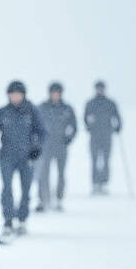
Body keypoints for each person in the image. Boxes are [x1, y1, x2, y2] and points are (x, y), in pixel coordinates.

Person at [0, 80, 46, 236]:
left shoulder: (31, 111)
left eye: (18, 94)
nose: (15, 97)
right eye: (12, 94)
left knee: (26, 189)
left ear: (23, 95)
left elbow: (42, 132)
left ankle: (22, 220)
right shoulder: (3, 112)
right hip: (7, 157)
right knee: (7, 188)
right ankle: (8, 220)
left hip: (27, 157)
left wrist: (37, 149)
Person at [35, 81, 79, 212]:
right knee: (43, 174)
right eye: (53, 92)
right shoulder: (42, 107)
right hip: (45, 147)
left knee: (61, 173)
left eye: (57, 93)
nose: (55, 95)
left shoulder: (67, 109)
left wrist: (68, 139)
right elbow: (35, 125)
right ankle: (43, 199)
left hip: (61, 146)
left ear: (60, 94)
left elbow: (74, 126)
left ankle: (59, 198)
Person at [84, 80, 122, 195]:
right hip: (95, 136)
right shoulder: (90, 103)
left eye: (101, 88)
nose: (100, 90)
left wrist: (118, 126)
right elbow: (85, 117)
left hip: (107, 135)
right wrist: (88, 126)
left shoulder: (110, 103)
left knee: (106, 160)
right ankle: (95, 184)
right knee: (94, 160)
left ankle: (104, 183)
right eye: (98, 88)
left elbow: (117, 116)